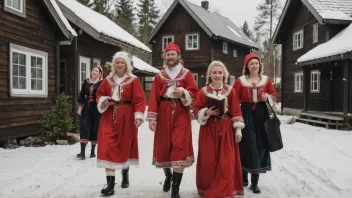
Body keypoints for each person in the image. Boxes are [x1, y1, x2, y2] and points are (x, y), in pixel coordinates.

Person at [146, 42, 198, 198]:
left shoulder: (186, 74)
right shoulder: (159, 75)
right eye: (167, 54)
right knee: (164, 147)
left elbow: (194, 93)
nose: (170, 57)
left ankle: (175, 190)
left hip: (181, 113)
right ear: (165, 57)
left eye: (172, 54)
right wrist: (152, 118)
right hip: (163, 112)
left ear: (178, 56)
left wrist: (183, 91)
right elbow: (154, 98)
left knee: (179, 146)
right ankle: (168, 175)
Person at [95, 52, 146, 196]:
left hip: (127, 116)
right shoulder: (107, 80)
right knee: (107, 146)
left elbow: (140, 100)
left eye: (122, 62)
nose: (119, 65)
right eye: (117, 62)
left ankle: (125, 171)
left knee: (124, 146)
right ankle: (110, 185)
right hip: (109, 115)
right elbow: (99, 94)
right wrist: (103, 100)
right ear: (113, 64)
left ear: (126, 65)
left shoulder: (133, 80)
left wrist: (138, 116)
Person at [193, 61, 245, 198]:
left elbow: (236, 111)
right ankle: (207, 188)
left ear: (224, 75)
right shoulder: (203, 92)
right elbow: (196, 110)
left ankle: (224, 189)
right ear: (209, 74)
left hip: (226, 128)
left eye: (220, 72)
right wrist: (206, 112)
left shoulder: (230, 90)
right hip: (208, 129)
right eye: (214, 72)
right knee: (208, 160)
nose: (217, 75)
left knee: (226, 161)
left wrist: (238, 130)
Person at [233, 53, 276, 194]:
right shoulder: (240, 81)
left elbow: (273, 96)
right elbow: (233, 98)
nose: (254, 65)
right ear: (246, 66)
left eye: (256, 63)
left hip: (261, 113)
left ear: (260, 65)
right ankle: (244, 174)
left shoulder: (266, 80)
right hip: (246, 113)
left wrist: (267, 97)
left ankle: (255, 182)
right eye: (251, 63)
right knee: (247, 144)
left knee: (260, 145)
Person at [77, 66, 103, 160]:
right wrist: (80, 103)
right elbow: (82, 93)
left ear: (100, 73)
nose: (94, 72)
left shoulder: (102, 83)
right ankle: (82, 153)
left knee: (95, 127)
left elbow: (104, 94)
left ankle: (92, 152)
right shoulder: (86, 81)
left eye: (96, 71)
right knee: (84, 126)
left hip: (96, 108)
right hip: (87, 107)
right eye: (93, 70)